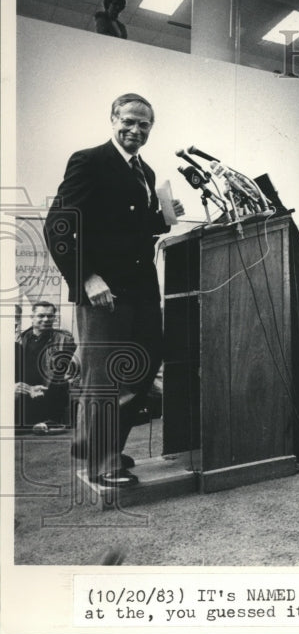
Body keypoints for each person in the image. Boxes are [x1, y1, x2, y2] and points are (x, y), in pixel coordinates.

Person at [44, 93, 184, 488]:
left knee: (142, 366)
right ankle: (101, 461)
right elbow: (59, 224)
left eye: (144, 125)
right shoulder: (89, 161)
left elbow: (127, 227)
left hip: (141, 291)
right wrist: (85, 277)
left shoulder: (147, 173)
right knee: (103, 378)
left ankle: (100, 446)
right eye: (129, 121)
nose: (136, 130)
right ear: (112, 119)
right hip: (101, 291)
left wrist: (164, 218)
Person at [14, 301, 77, 429]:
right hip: (25, 393)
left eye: (50, 316)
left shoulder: (64, 339)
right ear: (32, 317)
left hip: (50, 393)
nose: (46, 319)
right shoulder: (21, 338)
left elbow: (59, 370)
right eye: (41, 315)